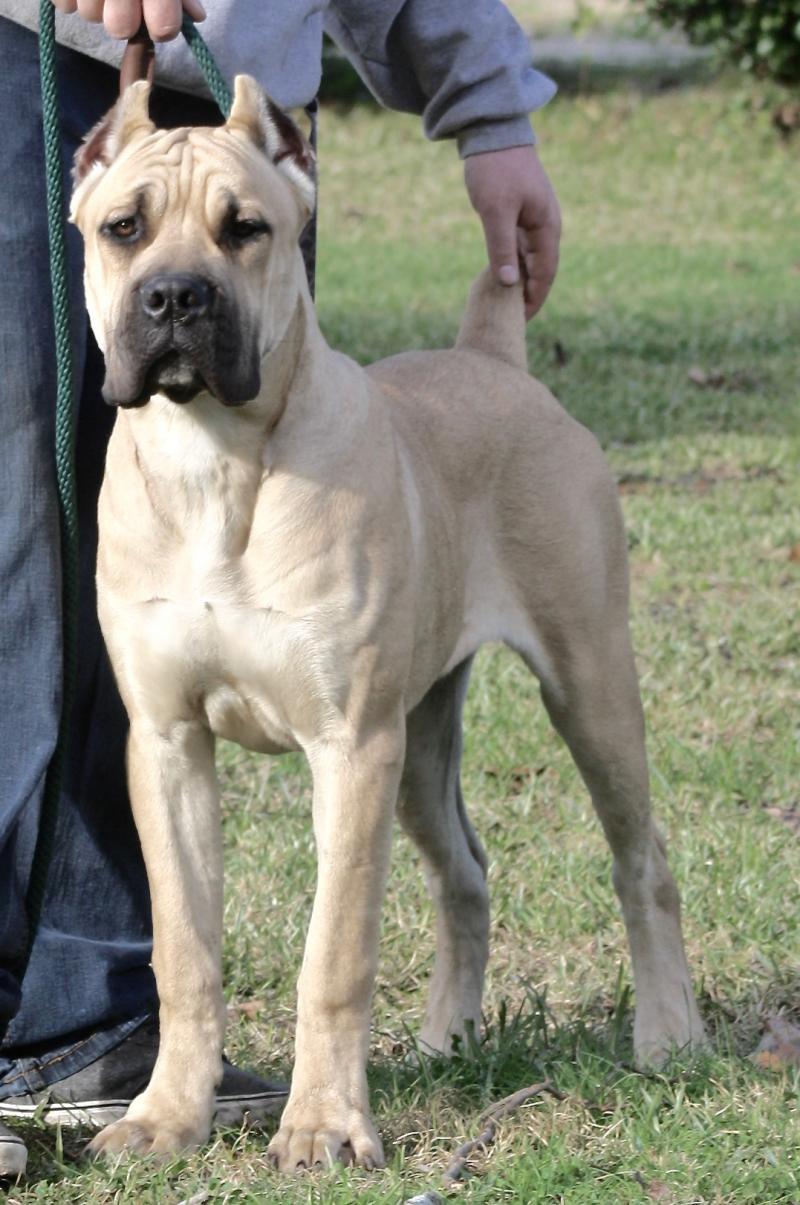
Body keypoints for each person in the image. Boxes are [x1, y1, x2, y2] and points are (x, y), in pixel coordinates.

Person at [0, 0, 561, 1178]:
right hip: (35, 53)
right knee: (26, 560)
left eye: (237, 237)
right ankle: (96, 1037)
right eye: (133, 239)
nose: (176, 284)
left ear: (289, 211)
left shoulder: (270, 181)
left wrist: (491, 106)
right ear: (92, 197)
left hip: (257, 59)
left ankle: (251, 1049)